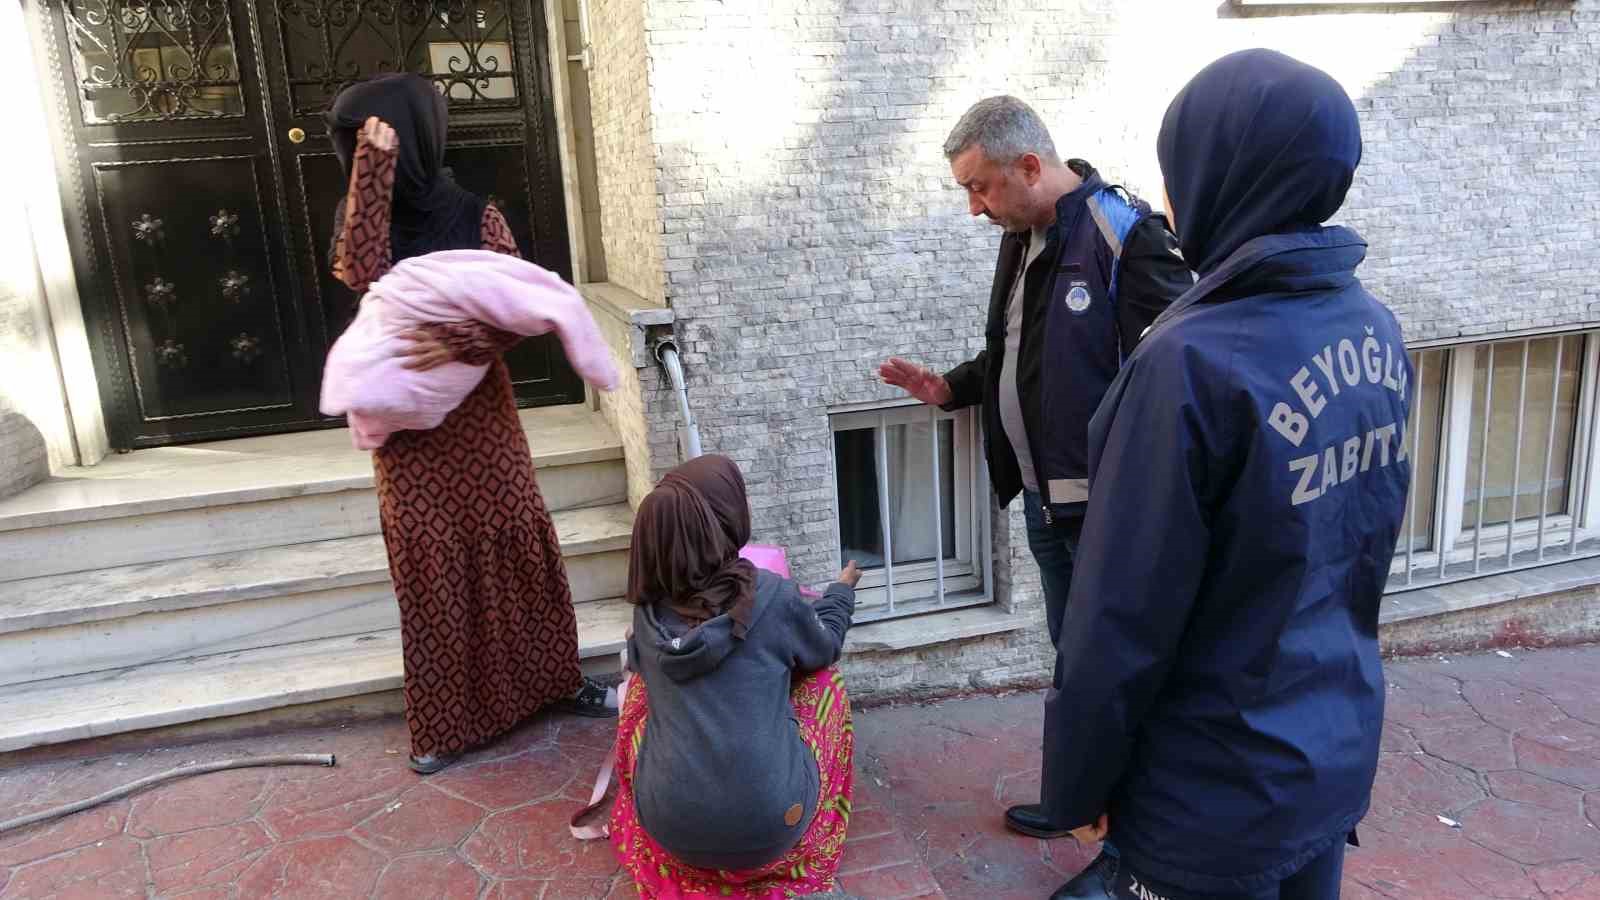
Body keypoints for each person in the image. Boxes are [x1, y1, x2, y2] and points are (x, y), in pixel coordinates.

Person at [1044, 50, 1412, 900]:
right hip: (1328, 746)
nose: (1169, 201)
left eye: (1177, 172)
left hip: (1209, 794)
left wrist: (1078, 784)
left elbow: (1119, 619)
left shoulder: (1188, 360)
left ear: (1224, 176)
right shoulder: (1373, 327)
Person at [877, 96, 1192, 839]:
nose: (974, 208)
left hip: (1105, 508)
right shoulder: (1023, 234)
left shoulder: (1123, 232)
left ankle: (1127, 817)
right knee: (1075, 660)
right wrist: (951, 387)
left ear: (1028, 166)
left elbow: (1188, 359)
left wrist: (1133, 480)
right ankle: (1086, 800)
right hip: (1046, 503)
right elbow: (1026, 353)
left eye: (979, 187)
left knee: (1109, 664)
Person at [327, 73, 616, 776]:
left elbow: (521, 305)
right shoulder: (364, 212)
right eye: (351, 143)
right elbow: (356, 268)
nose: (355, 150)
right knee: (433, 571)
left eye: (368, 135)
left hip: (481, 419)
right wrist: (371, 173)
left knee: (517, 545)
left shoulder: (473, 212)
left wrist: (462, 343)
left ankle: (553, 682)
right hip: (408, 436)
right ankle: (444, 724)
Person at [609, 454, 860, 898]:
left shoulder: (646, 620)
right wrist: (840, 593)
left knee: (640, 693)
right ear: (726, 521)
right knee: (825, 685)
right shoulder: (774, 597)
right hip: (771, 827)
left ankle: (673, 844)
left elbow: (642, 662)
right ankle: (806, 838)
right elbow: (825, 646)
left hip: (668, 828)